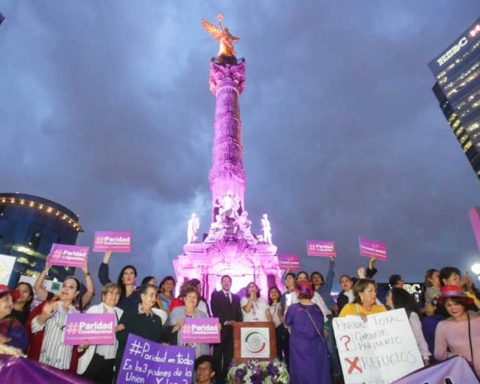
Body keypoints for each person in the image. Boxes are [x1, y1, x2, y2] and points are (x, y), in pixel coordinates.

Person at [28, 276, 83, 372]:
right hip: (42, 364)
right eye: (64, 285)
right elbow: (33, 327)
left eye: (71, 287)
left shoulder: (78, 315)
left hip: (63, 368)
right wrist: (44, 315)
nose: (66, 288)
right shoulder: (49, 305)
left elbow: (75, 347)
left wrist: (82, 347)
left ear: (76, 293)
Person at [285, 280, 331, 384]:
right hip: (317, 345)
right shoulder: (316, 307)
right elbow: (321, 325)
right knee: (318, 371)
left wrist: (286, 309)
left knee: (301, 371)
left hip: (299, 346)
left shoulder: (293, 308)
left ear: (298, 292)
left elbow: (286, 323)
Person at [77, 283, 124, 384]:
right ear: (103, 295)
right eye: (111, 293)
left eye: (117, 294)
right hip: (93, 357)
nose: (114, 296)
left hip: (110, 359)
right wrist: (112, 330)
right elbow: (82, 332)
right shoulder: (94, 310)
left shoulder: (120, 313)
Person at [434, 284, 480, 377]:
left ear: (463, 304)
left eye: (456, 304)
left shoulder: (478, 320)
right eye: (449, 305)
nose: (453, 308)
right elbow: (439, 355)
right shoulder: (443, 326)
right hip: (465, 375)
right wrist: (455, 356)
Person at [116, 284, 164, 370]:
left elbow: (157, 342)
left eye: (155, 295)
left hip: (145, 365)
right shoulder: (129, 312)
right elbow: (119, 335)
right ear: (142, 296)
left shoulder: (157, 319)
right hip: (127, 361)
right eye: (151, 295)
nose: (154, 298)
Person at [386, 288, 431, 365]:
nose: (386, 298)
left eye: (389, 296)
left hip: (410, 360)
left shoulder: (411, 315)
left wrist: (426, 359)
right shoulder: (386, 316)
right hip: (394, 361)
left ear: (396, 298)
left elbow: (419, 338)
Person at [210, 275, 242, 383]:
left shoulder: (236, 297)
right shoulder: (215, 295)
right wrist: (226, 322)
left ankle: (225, 379)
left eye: (228, 281)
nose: (226, 283)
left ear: (231, 283)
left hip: (233, 332)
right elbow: (215, 311)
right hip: (220, 330)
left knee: (229, 357)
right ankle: (216, 379)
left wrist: (237, 323)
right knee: (217, 356)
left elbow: (238, 313)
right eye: (224, 281)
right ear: (221, 283)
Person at [168, 286, 210, 358]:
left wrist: (215, 330)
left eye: (195, 297)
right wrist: (176, 327)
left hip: (198, 354)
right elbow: (167, 332)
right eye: (190, 296)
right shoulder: (176, 311)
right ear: (184, 298)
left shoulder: (202, 315)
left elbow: (208, 338)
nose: (192, 299)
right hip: (178, 353)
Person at [0, 285, 27, 352]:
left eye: (12, 300)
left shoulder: (14, 325)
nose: (11, 303)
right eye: (6, 299)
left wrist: (6, 339)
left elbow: (20, 347)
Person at [268, 286, 289, 364]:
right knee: (277, 353)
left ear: (279, 294)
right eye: (271, 292)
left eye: (275, 291)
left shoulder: (282, 304)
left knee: (287, 352)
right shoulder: (268, 307)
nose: (273, 293)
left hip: (283, 329)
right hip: (273, 331)